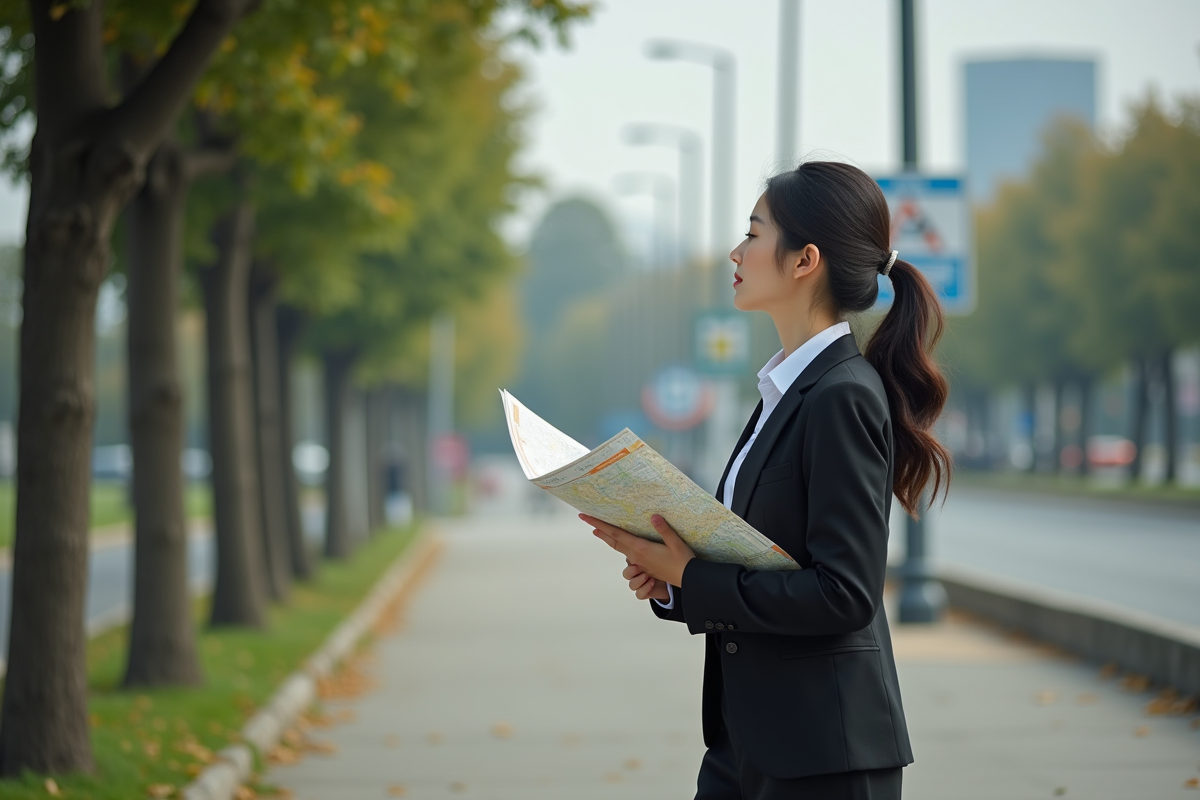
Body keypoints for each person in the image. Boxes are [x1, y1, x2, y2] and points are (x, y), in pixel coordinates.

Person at [583, 161, 950, 799]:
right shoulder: (784, 390)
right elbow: (765, 559)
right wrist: (674, 581)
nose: (736, 251)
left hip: (823, 758)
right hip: (747, 745)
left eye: (753, 234)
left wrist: (691, 578)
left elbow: (845, 594)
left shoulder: (841, 395)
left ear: (804, 260)